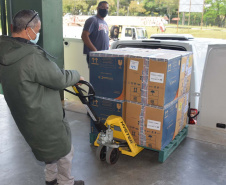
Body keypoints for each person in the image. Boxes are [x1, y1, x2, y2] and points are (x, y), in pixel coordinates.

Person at [0, 10, 84, 185]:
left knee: (47, 148)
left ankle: (50, 179)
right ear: (28, 30)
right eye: (37, 31)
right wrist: (76, 75)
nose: (37, 35)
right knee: (65, 150)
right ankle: (65, 182)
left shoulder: (4, 50)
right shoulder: (31, 56)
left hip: (25, 112)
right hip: (43, 113)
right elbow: (59, 79)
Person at [81, 1, 109, 65]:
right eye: (103, 7)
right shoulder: (92, 20)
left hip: (104, 56)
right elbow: (84, 36)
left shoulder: (105, 23)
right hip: (95, 56)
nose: (105, 9)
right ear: (97, 8)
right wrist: (95, 51)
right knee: (96, 74)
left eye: (107, 8)